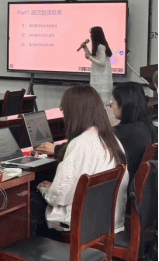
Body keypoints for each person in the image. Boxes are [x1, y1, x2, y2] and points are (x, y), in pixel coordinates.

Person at [31, 85, 128, 238]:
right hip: (109, 220)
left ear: (73, 112)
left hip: (85, 225)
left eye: (63, 109)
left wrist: (45, 190)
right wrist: (55, 186)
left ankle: (37, 249)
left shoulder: (80, 143)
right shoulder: (111, 138)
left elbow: (57, 197)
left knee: (31, 203)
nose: (63, 114)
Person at [111, 82, 158, 182]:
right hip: (146, 187)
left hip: (125, 185)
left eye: (114, 101)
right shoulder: (150, 128)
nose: (111, 104)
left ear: (125, 104)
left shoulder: (119, 134)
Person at [82, 26, 113, 104]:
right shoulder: (97, 46)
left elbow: (102, 63)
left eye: (91, 34)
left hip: (102, 76)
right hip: (98, 74)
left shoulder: (101, 46)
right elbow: (93, 57)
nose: (90, 36)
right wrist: (85, 48)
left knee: (102, 99)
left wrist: (89, 58)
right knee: (96, 97)